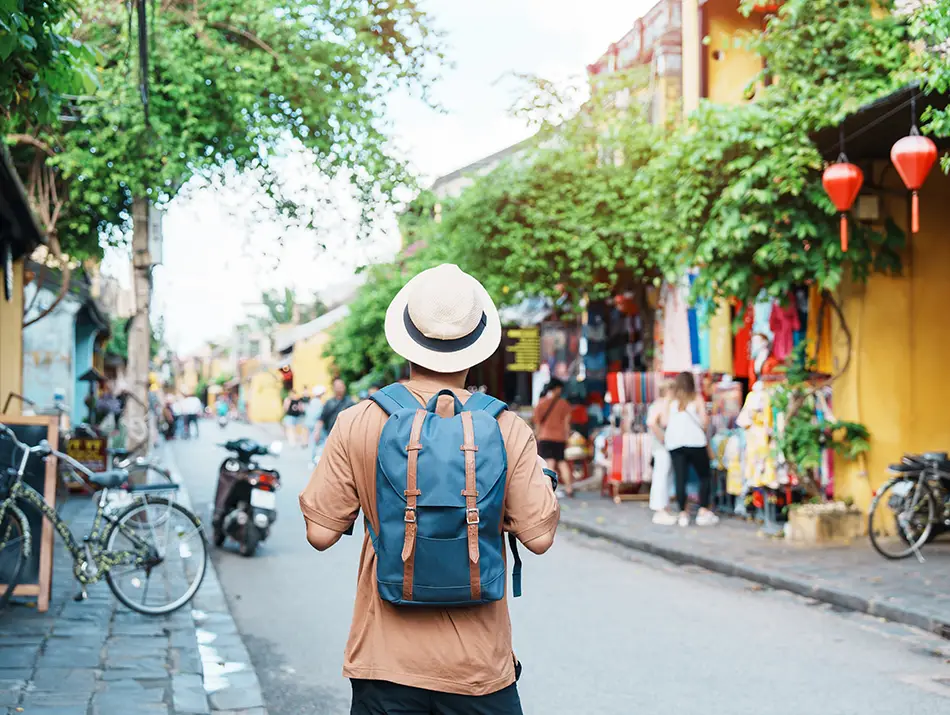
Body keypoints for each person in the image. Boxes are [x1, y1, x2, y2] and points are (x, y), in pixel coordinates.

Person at [299, 263, 559, 714]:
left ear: (405, 340)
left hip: (384, 668)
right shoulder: (506, 428)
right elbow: (538, 538)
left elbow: (321, 533)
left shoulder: (359, 421)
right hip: (479, 673)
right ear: (476, 347)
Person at [661, 371, 718, 527]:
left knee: (681, 478)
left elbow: (664, 421)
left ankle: (683, 513)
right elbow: (705, 422)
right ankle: (703, 510)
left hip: (675, 443)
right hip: (695, 442)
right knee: (704, 475)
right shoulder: (696, 398)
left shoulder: (670, 400)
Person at [532, 377, 574, 498]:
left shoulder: (541, 403)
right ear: (557, 389)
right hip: (560, 438)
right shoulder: (564, 404)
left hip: (545, 437)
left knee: (549, 462)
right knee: (561, 462)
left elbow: (538, 423)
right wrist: (567, 438)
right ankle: (569, 488)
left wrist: (537, 436)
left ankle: (549, 490)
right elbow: (567, 424)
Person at [647, 381, 677, 525]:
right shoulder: (661, 404)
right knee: (662, 476)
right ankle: (659, 509)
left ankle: (664, 507)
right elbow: (652, 423)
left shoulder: (663, 404)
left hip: (663, 447)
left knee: (665, 476)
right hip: (661, 447)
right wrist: (663, 439)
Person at [314, 378, 353, 446]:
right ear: (333, 388)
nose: (339, 388)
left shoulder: (350, 402)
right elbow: (321, 418)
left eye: (341, 386)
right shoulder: (329, 403)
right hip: (330, 435)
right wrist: (317, 432)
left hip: (346, 436)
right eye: (337, 386)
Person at [304, 385, 326, 465]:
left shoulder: (312, 401)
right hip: (316, 424)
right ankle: (316, 458)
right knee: (322, 441)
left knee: (312, 441)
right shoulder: (319, 403)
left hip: (310, 424)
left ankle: (312, 459)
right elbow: (319, 416)